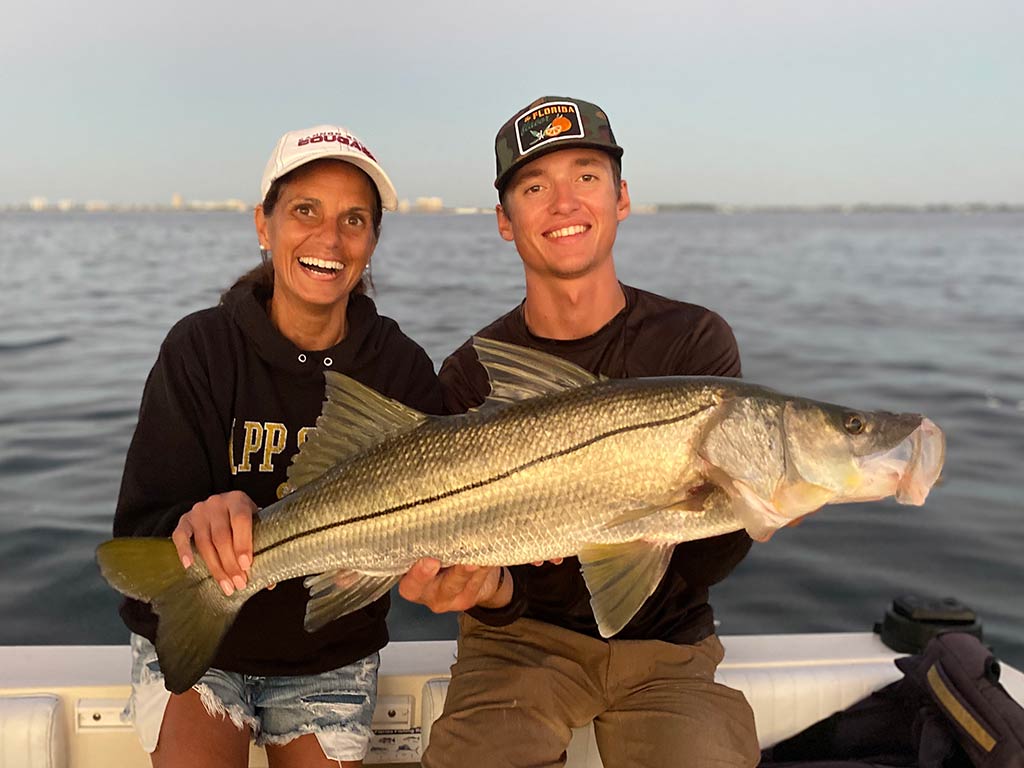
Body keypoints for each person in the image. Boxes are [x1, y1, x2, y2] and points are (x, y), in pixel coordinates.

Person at [399, 97, 760, 767]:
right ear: (506, 222)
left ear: (621, 198)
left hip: (667, 648)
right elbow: (496, 581)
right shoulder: (473, 372)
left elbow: (699, 570)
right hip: (515, 644)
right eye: (535, 187)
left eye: (587, 176)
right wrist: (483, 588)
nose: (564, 202)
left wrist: (752, 509)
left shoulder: (694, 343)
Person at [113, 124, 444, 768]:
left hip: (329, 650)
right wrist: (192, 523)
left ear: (373, 242)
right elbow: (145, 522)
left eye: (355, 219)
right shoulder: (200, 350)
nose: (330, 238)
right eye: (304, 211)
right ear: (262, 226)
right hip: (204, 646)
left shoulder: (399, 368)